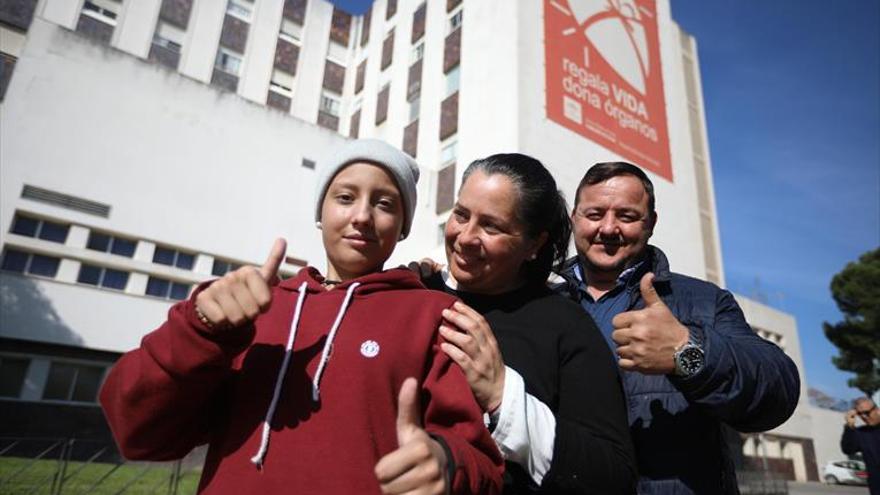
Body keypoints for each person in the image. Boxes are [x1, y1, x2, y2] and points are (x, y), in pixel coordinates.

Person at [99, 140, 504, 494]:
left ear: (402, 227)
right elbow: (138, 434)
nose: (362, 216)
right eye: (345, 198)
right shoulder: (252, 309)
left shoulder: (435, 315)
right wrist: (197, 329)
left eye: (384, 204)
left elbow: (483, 465)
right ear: (320, 211)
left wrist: (447, 465)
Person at [555, 161, 800, 494]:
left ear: (651, 223)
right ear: (574, 218)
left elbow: (777, 394)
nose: (609, 228)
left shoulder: (704, 301)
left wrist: (687, 352)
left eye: (626, 216)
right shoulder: (539, 301)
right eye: (594, 215)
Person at [415, 153, 637, 493]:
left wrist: (503, 396)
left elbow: (613, 475)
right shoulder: (414, 291)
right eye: (461, 214)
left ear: (534, 244)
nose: (465, 237)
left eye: (491, 226)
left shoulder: (566, 325)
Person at [842, 397, 880, 494]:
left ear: (877, 410)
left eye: (867, 413)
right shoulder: (861, 433)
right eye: (859, 414)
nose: (864, 417)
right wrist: (849, 426)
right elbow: (848, 449)